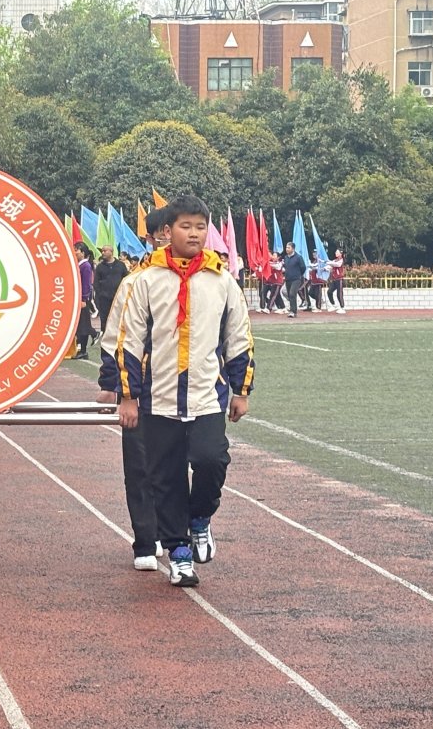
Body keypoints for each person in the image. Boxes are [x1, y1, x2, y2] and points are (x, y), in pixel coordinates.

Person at [117, 195, 254, 588]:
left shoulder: (221, 279)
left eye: (200, 226)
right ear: (167, 232)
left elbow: (238, 337)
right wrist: (128, 396)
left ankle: (199, 518)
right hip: (158, 399)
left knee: (212, 461)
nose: (193, 233)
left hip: (207, 395)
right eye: (185, 226)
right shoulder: (145, 280)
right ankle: (178, 552)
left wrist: (241, 390)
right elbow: (130, 341)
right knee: (166, 477)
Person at [97, 207, 170, 571]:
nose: (173, 239)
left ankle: (175, 531)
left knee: (181, 465)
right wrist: (112, 384)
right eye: (166, 233)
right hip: (140, 387)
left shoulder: (205, 280)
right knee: (140, 464)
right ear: (152, 237)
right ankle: (146, 539)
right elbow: (116, 339)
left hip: (186, 390)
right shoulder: (134, 282)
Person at [93, 244, 128, 333]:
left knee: (118, 320)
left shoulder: (121, 265)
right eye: (102, 251)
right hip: (104, 300)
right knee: (105, 321)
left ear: (111, 252)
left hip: (118, 299)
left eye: (105, 251)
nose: (102, 253)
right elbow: (96, 283)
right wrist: (100, 295)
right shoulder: (100, 267)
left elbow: (126, 279)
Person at [72, 242, 96, 359]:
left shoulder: (85, 266)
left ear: (82, 252)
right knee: (82, 325)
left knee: (83, 326)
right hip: (79, 299)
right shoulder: (80, 265)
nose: (74, 252)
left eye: (76, 250)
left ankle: (84, 350)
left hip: (83, 300)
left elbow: (86, 284)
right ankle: (84, 348)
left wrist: (83, 298)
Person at [282, 241, 307, 318]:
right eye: (286, 247)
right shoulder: (286, 257)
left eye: (288, 247)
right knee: (290, 295)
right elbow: (285, 267)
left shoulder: (298, 257)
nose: (287, 249)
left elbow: (303, 267)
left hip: (296, 279)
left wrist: (298, 275)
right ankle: (292, 310)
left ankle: (293, 311)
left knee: (292, 293)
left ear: (293, 249)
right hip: (288, 279)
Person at [327, 249, 346, 313]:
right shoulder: (334, 260)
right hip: (334, 280)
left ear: (340, 253)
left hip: (339, 279)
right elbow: (329, 266)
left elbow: (337, 265)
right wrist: (323, 268)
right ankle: (334, 305)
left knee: (339, 294)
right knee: (329, 292)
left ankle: (342, 307)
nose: (335, 253)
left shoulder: (341, 260)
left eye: (337, 252)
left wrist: (329, 262)